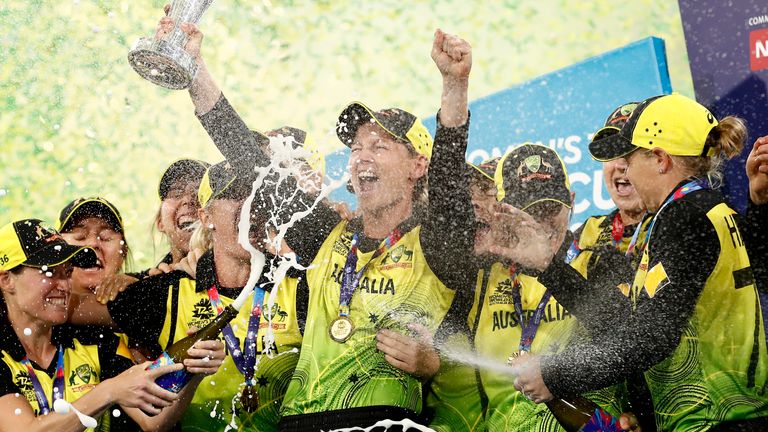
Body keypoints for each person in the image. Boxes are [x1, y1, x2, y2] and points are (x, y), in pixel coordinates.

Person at [168, 13, 475, 428]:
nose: (362, 155)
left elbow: (450, 182)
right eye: (356, 148)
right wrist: (194, 69)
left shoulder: (437, 241)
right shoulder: (326, 234)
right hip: (299, 421)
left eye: (380, 146)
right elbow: (249, 158)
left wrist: (454, 85)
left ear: (418, 165)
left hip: (382, 420)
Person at [495, 94, 768, 431]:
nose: (623, 168)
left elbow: (650, 337)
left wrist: (555, 373)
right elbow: (627, 322)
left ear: (659, 159)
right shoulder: (702, 210)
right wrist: (549, 267)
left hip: (714, 421)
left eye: (629, 157)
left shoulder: (686, 216)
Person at [72, 161, 306, 431]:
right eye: (233, 195)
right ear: (206, 217)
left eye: (252, 194)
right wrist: (139, 277)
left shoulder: (299, 282)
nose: (247, 204)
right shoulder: (165, 291)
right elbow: (61, 308)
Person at [0, 219, 220, 432]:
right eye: (49, 272)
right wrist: (108, 391)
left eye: (67, 273)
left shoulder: (92, 338)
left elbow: (153, 421)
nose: (63, 285)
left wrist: (193, 367)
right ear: (6, 279)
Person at [469, 144, 629, 431]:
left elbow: (629, 340)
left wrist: (638, 410)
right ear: (500, 212)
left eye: (550, 208)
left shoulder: (600, 263)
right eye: (528, 211)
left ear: (571, 201)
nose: (540, 222)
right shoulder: (482, 277)